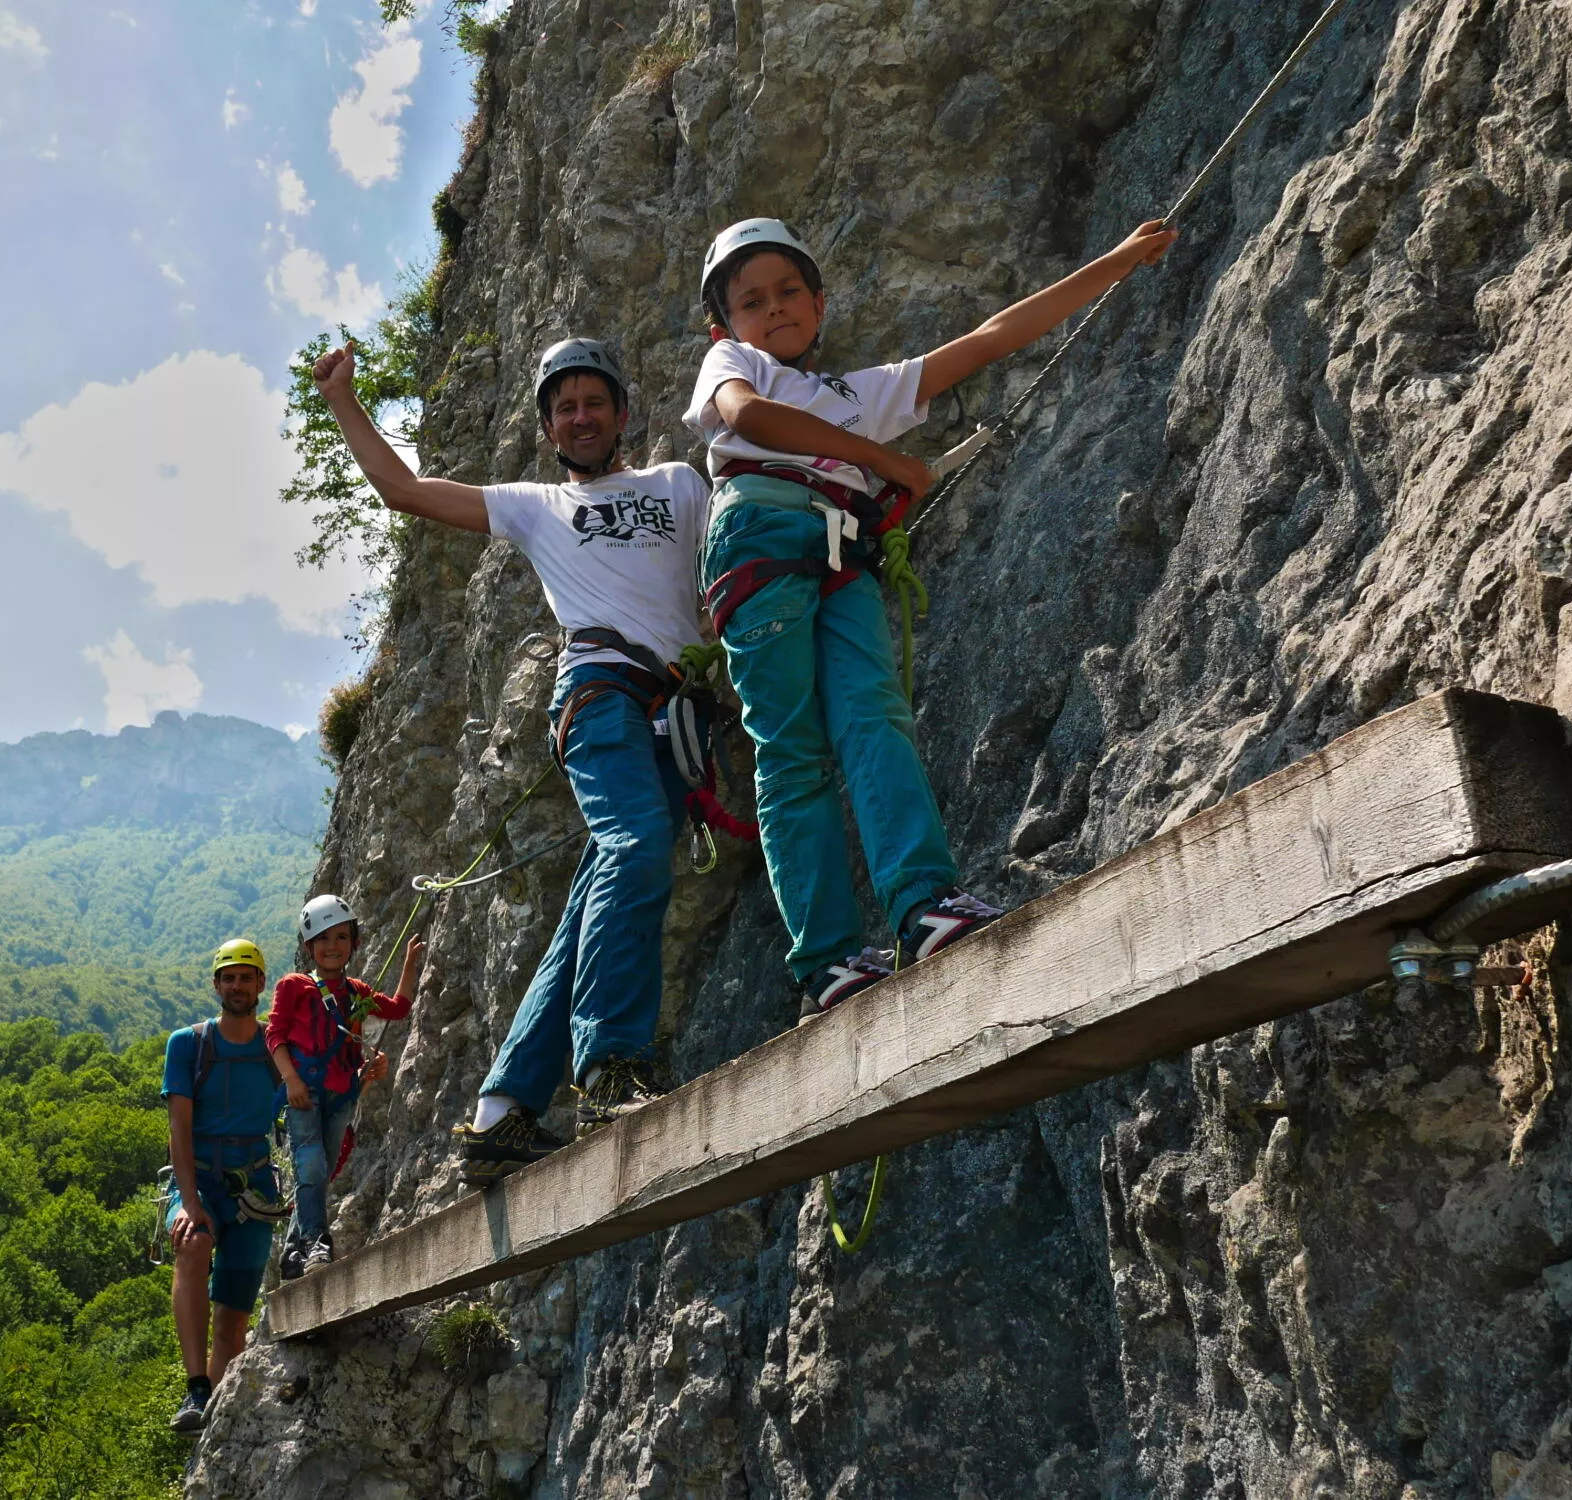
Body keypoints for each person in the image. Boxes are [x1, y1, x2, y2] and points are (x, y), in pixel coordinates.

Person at [683, 215, 1178, 1023]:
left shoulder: (853, 394)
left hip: (837, 554)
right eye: (750, 300)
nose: (771, 309)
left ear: (819, 302)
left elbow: (989, 338)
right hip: (762, 540)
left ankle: (924, 905)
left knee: (876, 718)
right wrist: (882, 461)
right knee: (793, 750)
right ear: (724, 323)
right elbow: (747, 420)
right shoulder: (731, 363)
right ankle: (829, 959)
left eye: (786, 293)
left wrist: (1115, 260)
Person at [311, 335, 711, 1186]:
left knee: (602, 887)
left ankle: (502, 1111)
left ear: (621, 414)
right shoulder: (535, 506)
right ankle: (611, 1067)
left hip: (677, 707)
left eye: (593, 401)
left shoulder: (678, 485)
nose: (580, 416)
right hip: (601, 694)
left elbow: (723, 558)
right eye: (563, 407)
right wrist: (345, 401)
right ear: (548, 429)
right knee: (637, 847)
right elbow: (404, 491)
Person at [161, 937, 289, 1434]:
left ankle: (208, 1420)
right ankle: (195, 1387)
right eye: (228, 977)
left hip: (255, 1186)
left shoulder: (276, 1047)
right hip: (199, 1178)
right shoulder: (189, 1044)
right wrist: (190, 1202)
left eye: (246, 976)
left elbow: (312, 1095)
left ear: (261, 983)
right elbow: (179, 1129)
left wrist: (363, 1078)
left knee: (233, 1320)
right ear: (216, 984)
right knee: (193, 1244)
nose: (237, 985)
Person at [264, 894, 422, 1278]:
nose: (331, 946)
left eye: (339, 937)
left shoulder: (357, 992)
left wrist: (409, 964)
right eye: (322, 939)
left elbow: (398, 1008)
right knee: (312, 1167)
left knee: (320, 1171)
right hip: (305, 1093)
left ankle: (291, 1255)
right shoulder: (294, 986)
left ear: (354, 941)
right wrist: (291, 1080)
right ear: (308, 946)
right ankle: (317, 1243)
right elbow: (275, 1036)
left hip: (342, 1093)